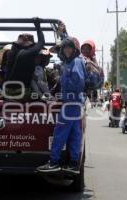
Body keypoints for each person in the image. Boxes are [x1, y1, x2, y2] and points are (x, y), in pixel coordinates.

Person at [37, 37, 85, 174]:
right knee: (75, 134)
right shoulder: (70, 62)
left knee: (60, 132)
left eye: (69, 48)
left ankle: (53, 162)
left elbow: (79, 82)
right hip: (74, 103)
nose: (67, 50)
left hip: (70, 103)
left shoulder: (75, 62)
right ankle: (74, 164)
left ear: (74, 49)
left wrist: (66, 85)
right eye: (65, 48)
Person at [5, 18, 45, 99]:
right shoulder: (27, 54)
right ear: (29, 45)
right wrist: (37, 26)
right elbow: (41, 42)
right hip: (21, 93)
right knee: (41, 97)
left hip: (7, 92)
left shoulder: (11, 52)